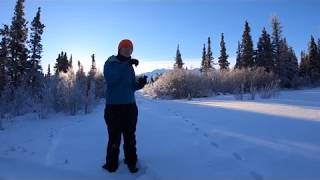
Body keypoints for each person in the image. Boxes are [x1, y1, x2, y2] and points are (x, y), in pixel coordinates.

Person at [102, 39, 147, 173]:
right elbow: (112, 80)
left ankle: (131, 161)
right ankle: (111, 164)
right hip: (113, 108)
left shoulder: (129, 66)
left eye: (130, 48)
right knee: (114, 137)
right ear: (119, 49)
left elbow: (131, 86)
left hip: (130, 107)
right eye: (125, 47)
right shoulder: (110, 63)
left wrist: (140, 84)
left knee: (130, 137)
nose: (128, 50)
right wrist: (126, 64)